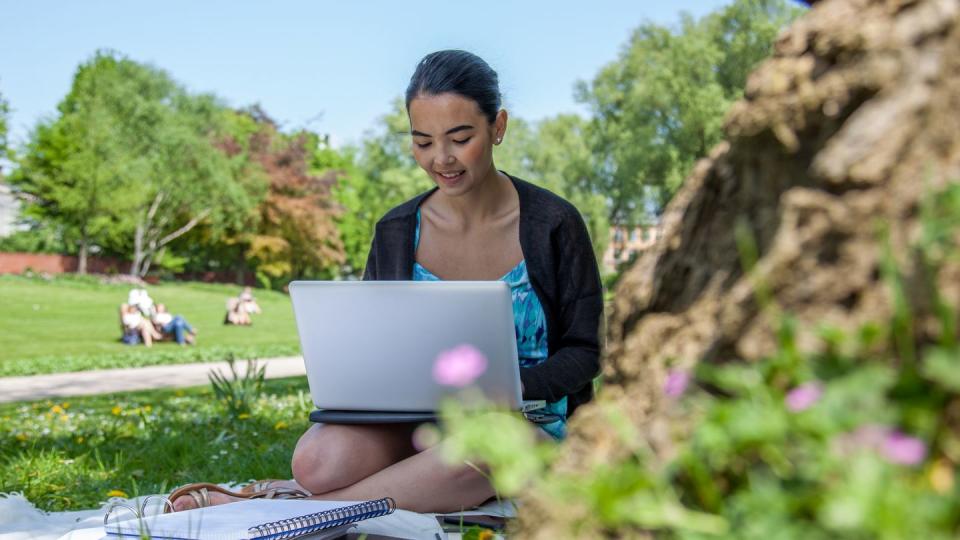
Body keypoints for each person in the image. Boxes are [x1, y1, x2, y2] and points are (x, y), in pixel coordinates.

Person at [169, 49, 603, 514]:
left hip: (529, 424)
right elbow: (373, 346)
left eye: (461, 138)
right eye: (422, 141)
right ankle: (326, 494)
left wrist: (515, 387)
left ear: (497, 127)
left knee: (478, 450)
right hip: (419, 420)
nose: (442, 159)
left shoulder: (554, 222)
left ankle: (288, 511)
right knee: (317, 460)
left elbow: (586, 350)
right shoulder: (396, 231)